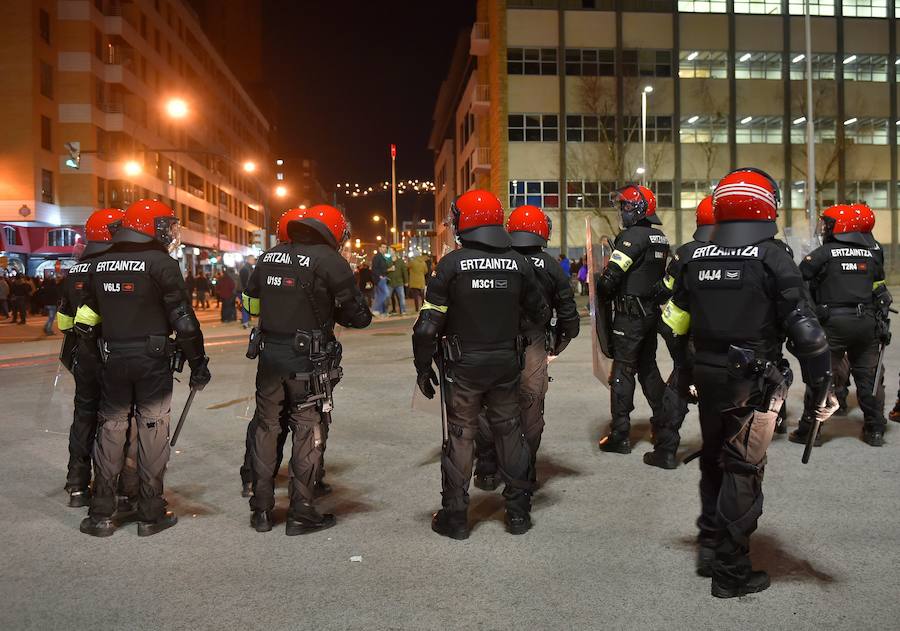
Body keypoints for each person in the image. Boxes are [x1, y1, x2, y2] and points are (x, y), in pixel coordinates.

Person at [661, 168, 835, 598]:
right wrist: (820, 394)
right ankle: (731, 571)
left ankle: (708, 543)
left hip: (707, 376)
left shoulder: (694, 256)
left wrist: (687, 367)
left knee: (712, 459)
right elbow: (809, 336)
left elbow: (672, 323)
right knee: (742, 470)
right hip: (753, 383)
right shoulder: (773, 256)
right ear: (766, 205)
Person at [412, 189, 550, 540]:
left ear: (466, 222)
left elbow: (427, 325)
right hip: (506, 363)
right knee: (510, 432)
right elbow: (539, 313)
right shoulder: (518, 263)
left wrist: (423, 367)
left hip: (463, 368)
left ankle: (455, 517)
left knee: (460, 436)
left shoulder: (452, 265)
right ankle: (518, 514)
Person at [75, 199, 211, 537]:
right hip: (152, 360)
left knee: (111, 429)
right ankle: (150, 512)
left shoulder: (100, 263)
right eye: (165, 225)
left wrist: (95, 357)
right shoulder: (162, 264)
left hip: (113, 358)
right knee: (152, 431)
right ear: (148, 227)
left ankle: (102, 512)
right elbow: (184, 321)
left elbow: (86, 320)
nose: (170, 232)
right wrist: (198, 363)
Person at [241, 205, 371, 534]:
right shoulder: (330, 261)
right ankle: (301, 511)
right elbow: (359, 317)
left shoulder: (269, 256)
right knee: (306, 430)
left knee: (266, 428)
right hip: (308, 363)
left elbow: (251, 303)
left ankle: (261, 510)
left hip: (269, 357)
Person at [473, 205, 579, 490]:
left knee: (487, 403)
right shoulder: (552, 266)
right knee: (530, 407)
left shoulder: (496, 259)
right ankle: (524, 471)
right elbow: (569, 316)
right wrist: (557, 344)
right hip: (533, 343)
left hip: (494, 342)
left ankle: (486, 465)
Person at [791, 204, 889, 448]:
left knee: (822, 377)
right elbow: (881, 292)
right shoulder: (872, 254)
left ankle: (810, 430)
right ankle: (875, 429)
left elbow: (799, 283)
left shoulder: (823, 254)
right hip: (867, 324)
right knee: (869, 379)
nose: (825, 228)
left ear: (840, 228)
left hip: (832, 325)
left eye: (828, 224)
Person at [56, 209, 129, 507]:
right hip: (113, 355)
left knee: (84, 416)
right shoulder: (114, 267)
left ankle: (76, 483)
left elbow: (63, 322)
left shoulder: (75, 270)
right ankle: (116, 484)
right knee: (117, 420)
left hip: (82, 356)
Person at [643, 195, 715, 469]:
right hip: (730, 339)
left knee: (677, 389)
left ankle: (666, 450)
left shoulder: (685, 253)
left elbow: (667, 287)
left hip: (692, 336)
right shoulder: (741, 252)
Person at [596, 184, 669, 454]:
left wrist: (600, 282)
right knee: (648, 368)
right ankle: (664, 425)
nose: (623, 211)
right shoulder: (660, 238)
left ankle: (620, 434)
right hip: (649, 313)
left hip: (629, 318)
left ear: (640, 210)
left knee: (623, 372)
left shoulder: (631, 238)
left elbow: (610, 280)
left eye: (627, 206)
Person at [387, 245, 409, 315]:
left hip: (399, 283)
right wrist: (389, 269)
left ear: (394, 252)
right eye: (389, 251)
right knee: (387, 298)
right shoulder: (387, 261)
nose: (389, 252)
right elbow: (383, 270)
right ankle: (386, 311)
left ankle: (403, 311)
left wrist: (406, 281)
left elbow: (404, 271)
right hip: (390, 282)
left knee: (401, 298)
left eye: (390, 251)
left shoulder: (400, 261)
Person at [371, 243, 390, 316]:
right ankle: (375, 309)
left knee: (380, 295)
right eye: (383, 247)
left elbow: (382, 268)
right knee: (385, 294)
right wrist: (380, 276)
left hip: (382, 278)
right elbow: (374, 268)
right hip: (380, 279)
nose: (384, 249)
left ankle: (380, 311)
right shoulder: (377, 257)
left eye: (385, 247)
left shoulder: (382, 257)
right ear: (379, 248)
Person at [239, 255, 256, 329]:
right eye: (253, 259)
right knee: (245, 307)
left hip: (246, 290)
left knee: (247, 306)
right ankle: (245, 323)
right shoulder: (245, 269)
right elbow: (245, 282)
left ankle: (246, 322)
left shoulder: (248, 268)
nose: (254, 261)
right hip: (244, 291)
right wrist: (246, 291)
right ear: (249, 260)